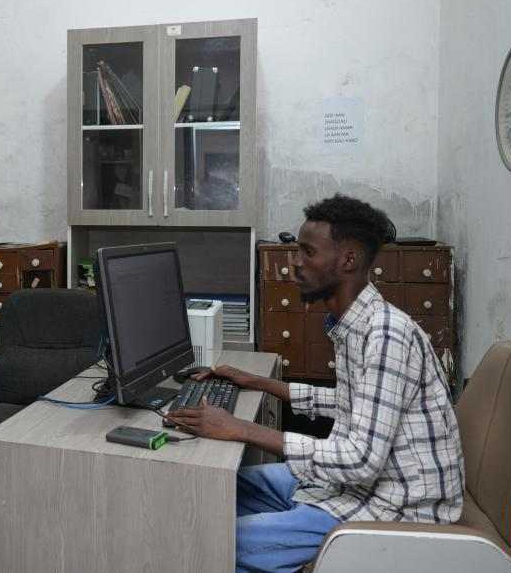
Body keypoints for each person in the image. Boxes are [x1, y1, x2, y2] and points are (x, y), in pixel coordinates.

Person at [167, 194, 464, 573]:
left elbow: (360, 460)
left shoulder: (387, 334)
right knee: (216, 489)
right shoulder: (356, 325)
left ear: (348, 261)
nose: (293, 263)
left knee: (209, 537)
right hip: (353, 488)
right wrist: (256, 380)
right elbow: (349, 403)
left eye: (307, 252)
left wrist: (240, 428)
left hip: (394, 508)